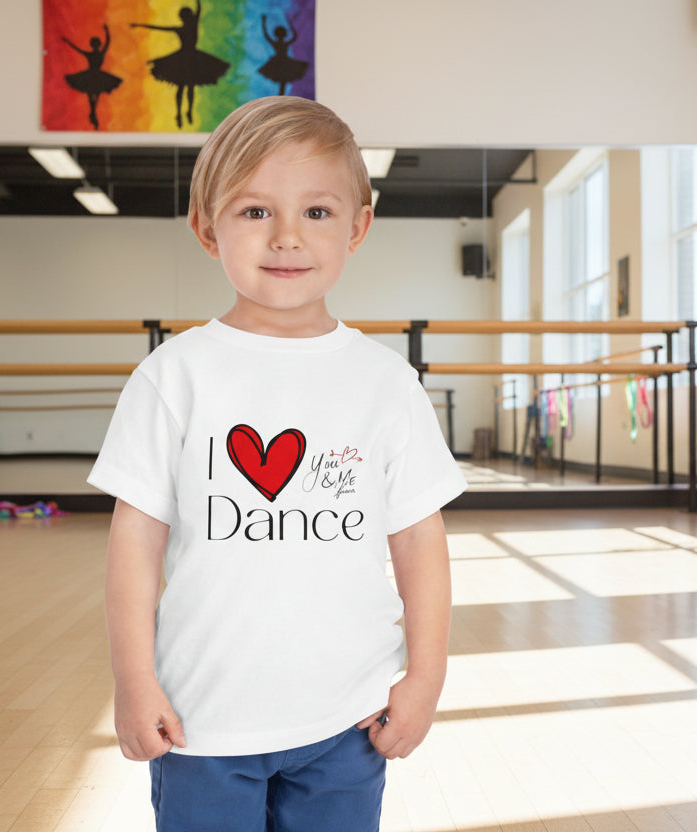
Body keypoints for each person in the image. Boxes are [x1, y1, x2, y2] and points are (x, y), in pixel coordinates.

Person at [88, 95, 466, 831]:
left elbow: (420, 539)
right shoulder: (173, 376)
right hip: (201, 721)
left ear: (357, 227)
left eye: (317, 212)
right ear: (208, 229)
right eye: (256, 212)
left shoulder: (385, 383)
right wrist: (133, 681)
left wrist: (426, 675)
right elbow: (134, 542)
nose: (287, 237)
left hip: (347, 716)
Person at [130, 1, 229, 129]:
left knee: (188, 87)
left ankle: (186, 112)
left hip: (191, 59)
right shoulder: (186, 27)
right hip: (184, 60)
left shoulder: (191, 25)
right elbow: (160, 28)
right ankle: (179, 113)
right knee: (183, 87)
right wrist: (139, 25)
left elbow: (198, 10)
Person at [61, 24, 122, 130]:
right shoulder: (100, 53)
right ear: (98, 45)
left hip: (91, 76)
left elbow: (76, 48)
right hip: (96, 76)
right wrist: (107, 31)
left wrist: (67, 42)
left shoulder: (90, 54)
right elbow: (107, 42)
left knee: (91, 96)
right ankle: (93, 115)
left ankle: (92, 115)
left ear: (92, 45)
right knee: (95, 96)